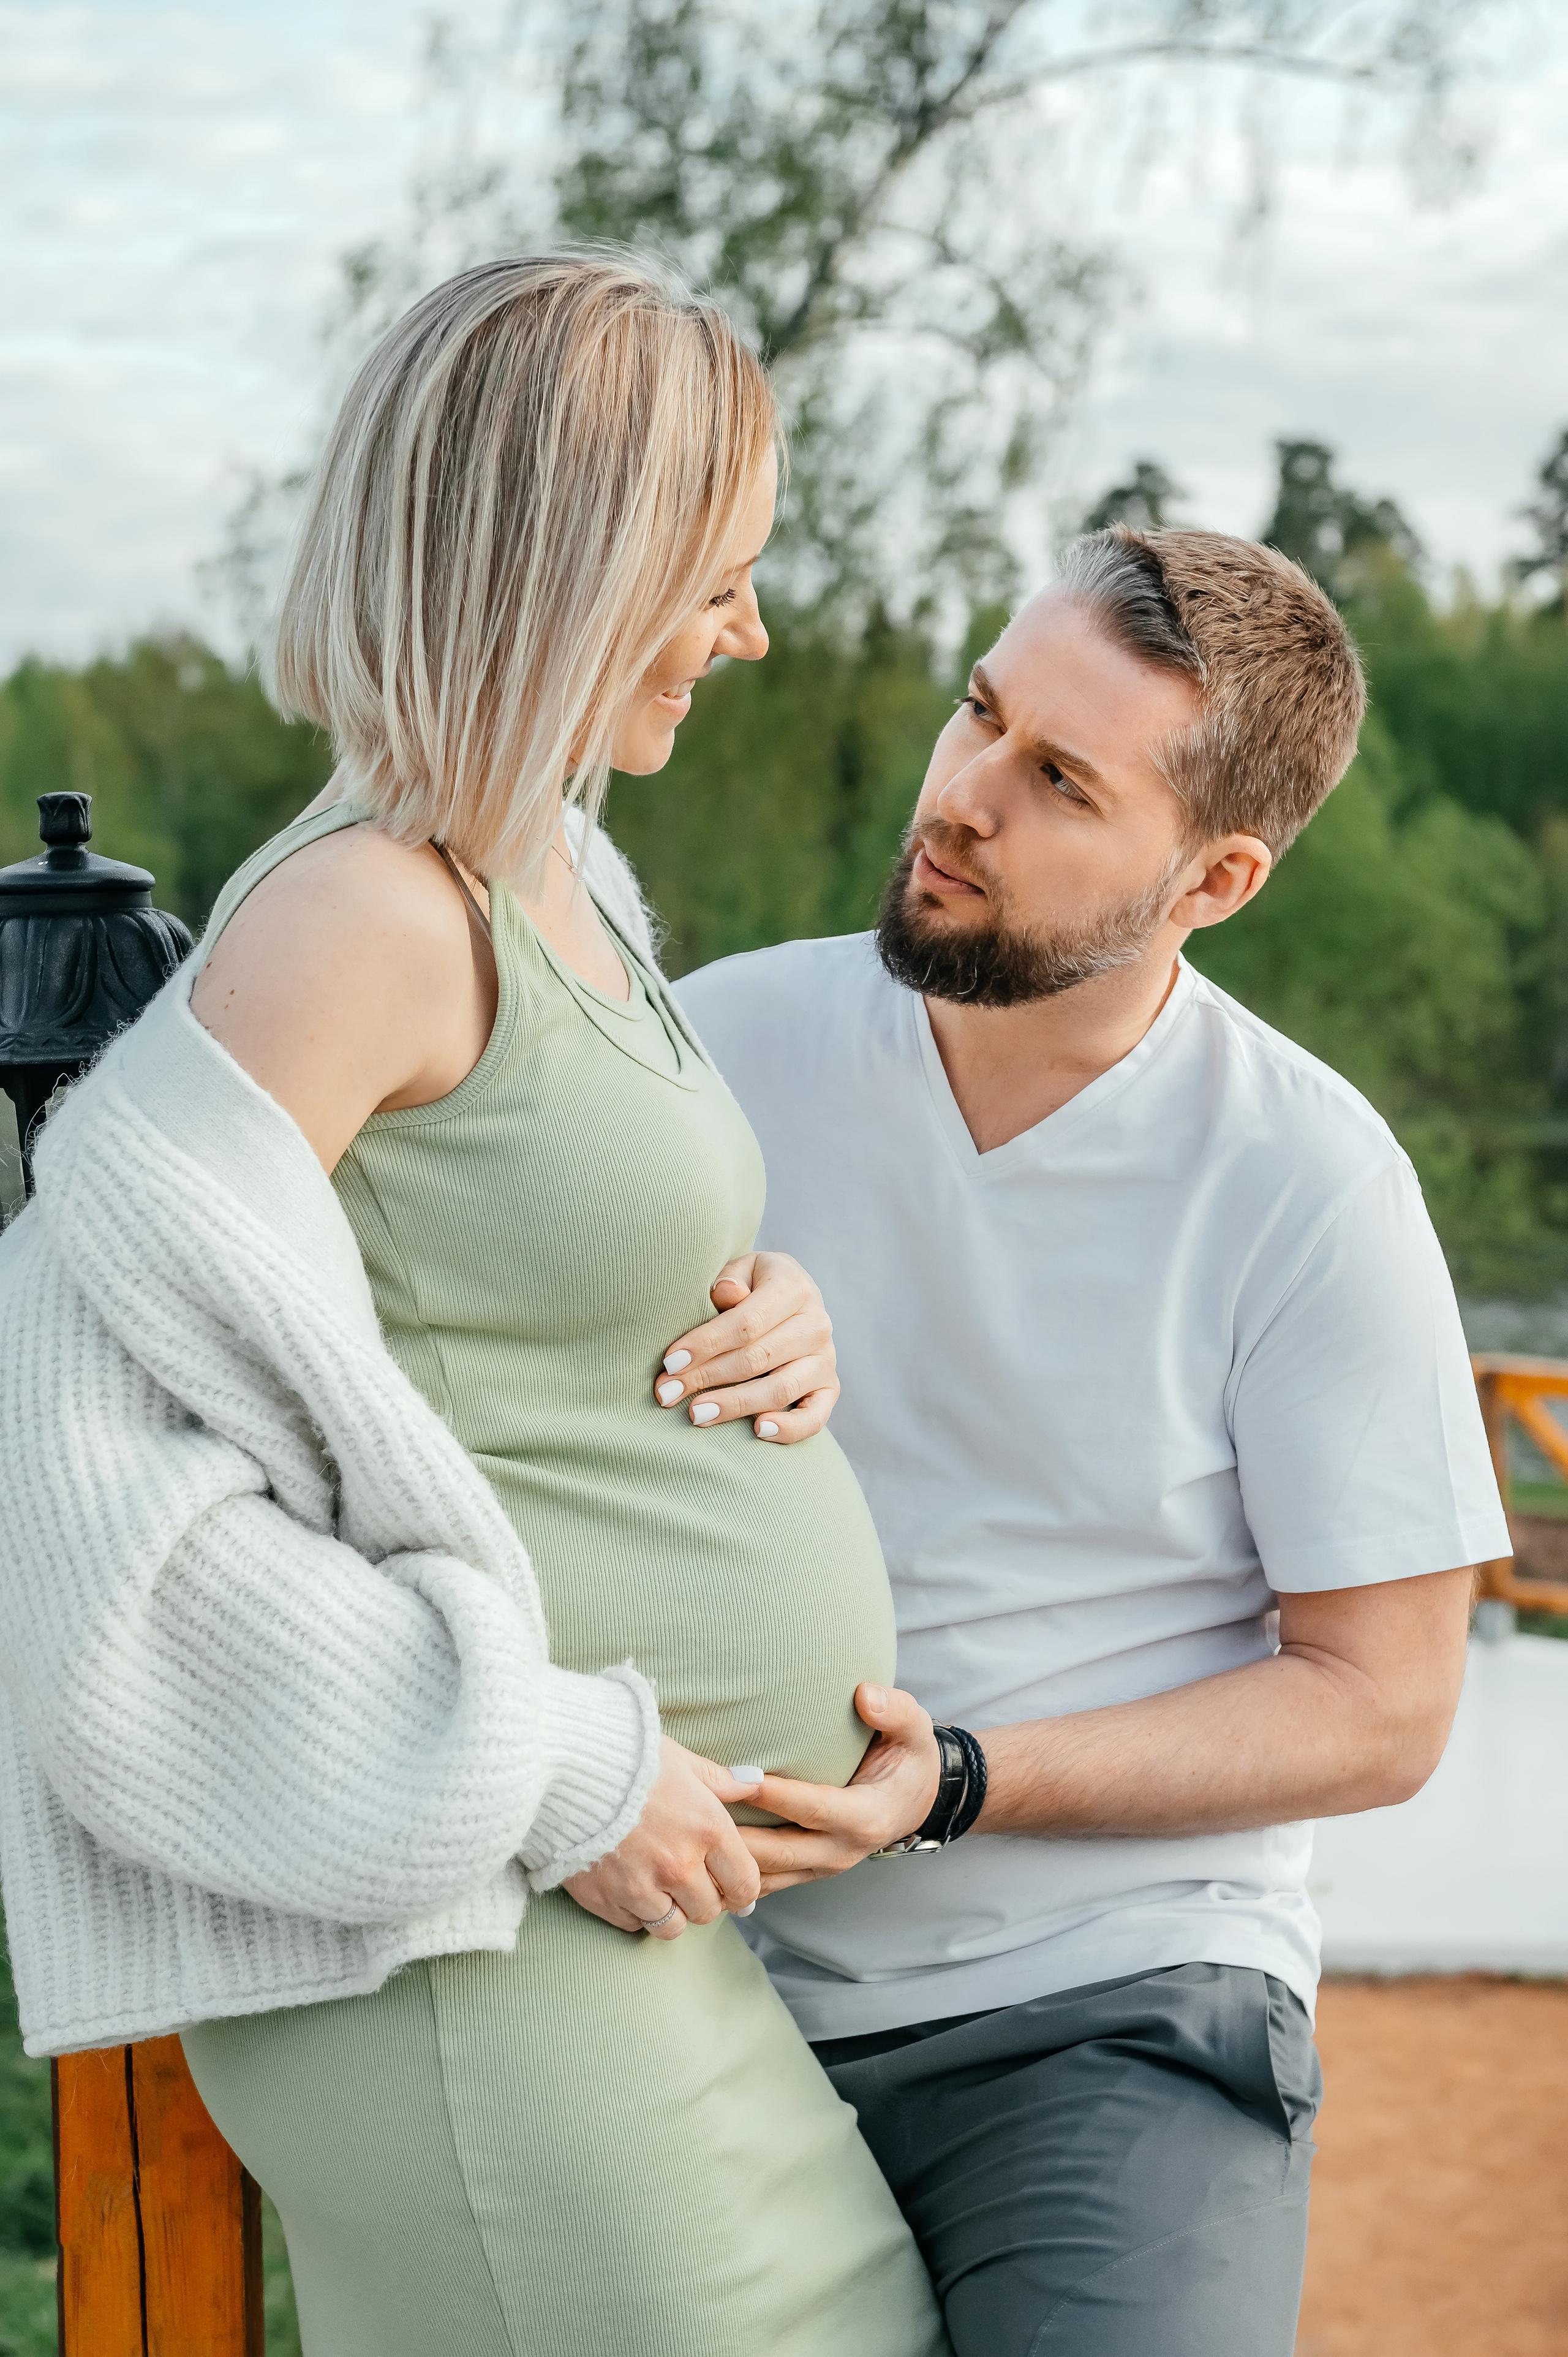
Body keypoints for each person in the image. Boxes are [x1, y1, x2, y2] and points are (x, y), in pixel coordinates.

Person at [0, 255, 948, 2357]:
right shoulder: (357, 915)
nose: (750, 630)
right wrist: (552, 1769)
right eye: (714, 576)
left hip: (590, 1945)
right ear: (567, 568)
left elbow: (489, 1290)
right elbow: (61, 1476)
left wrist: (768, 1306)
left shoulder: (564, 874)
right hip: (464, 1951)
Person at [679, 526, 1511, 2357]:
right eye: (981, 712)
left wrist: (961, 1776)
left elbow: (1383, 1705)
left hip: (1107, 2003)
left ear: (1217, 876)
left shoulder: (1308, 1181)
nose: (963, 797)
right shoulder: (714, 1046)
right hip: (693, 1972)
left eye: (1058, 779)